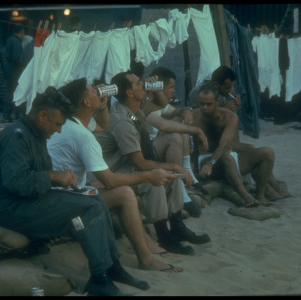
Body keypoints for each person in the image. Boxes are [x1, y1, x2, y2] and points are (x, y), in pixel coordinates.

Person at [0, 86, 148, 296]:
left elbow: (35, 175)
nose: (59, 130)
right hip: (13, 209)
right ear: (43, 115)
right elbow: (15, 182)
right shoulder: (16, 136)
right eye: (57, 124)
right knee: (89, 208)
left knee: (96, 201)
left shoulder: (34, 134)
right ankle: (100, 278)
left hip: (30, 200)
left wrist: (62, 181)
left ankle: (113, 267)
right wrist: (53, 176)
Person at [47, 77, 183, 273]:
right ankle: (146, 258)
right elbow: (112, 177)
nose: (99, 91)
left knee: (116, 189)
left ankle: (149, 244)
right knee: (125, 193)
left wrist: (101, 107)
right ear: (86, 102)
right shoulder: (84, 135)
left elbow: (102, 126)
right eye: (94, 91)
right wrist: (150, 176)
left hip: (65, 191)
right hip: (64, 200)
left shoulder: (72, 123)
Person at [95, 70, 211, 256]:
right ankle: (163, 234)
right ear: (130, 93)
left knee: (170, 176)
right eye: (139, 84)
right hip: (111, 172)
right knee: (155, 179)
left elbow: (161, 104)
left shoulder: (134, 111)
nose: (144, 85)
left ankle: (176, 226)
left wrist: (155, 88)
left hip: (125, 166)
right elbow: (141, 164)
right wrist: (174, 166)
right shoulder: (122, 120)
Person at [191, 82, 291, 207]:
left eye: (208, 104)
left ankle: (262, 195)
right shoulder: (194, 116)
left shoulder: (229, 117)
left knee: (267, 152)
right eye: (202, 104)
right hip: (205, 162)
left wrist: (212, 162)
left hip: (219, 160)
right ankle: (246, 197)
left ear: (217, 101)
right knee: (227, 157)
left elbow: (225, 143)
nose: (204, 108)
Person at [141, 67, 210, 217]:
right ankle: (180, 192)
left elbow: (172, 111)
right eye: (170, 87)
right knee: (175, 136)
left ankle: (187, 171)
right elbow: (163, 125)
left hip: (155, 146)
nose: (173, 91)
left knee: (180, 122)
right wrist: (198, 131)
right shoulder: (144, 104)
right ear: (159, 88)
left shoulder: (157, 102)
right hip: (144, 152)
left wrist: (183, 110)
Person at [3, 23, 25, 122]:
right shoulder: (16, 42)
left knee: (9, 92)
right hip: (15, 71)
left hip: (9, 69)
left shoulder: (9, 39)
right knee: (13, 93)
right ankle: (9, 115)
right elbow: (17, 58)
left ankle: (7, 115)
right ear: (22, 32)